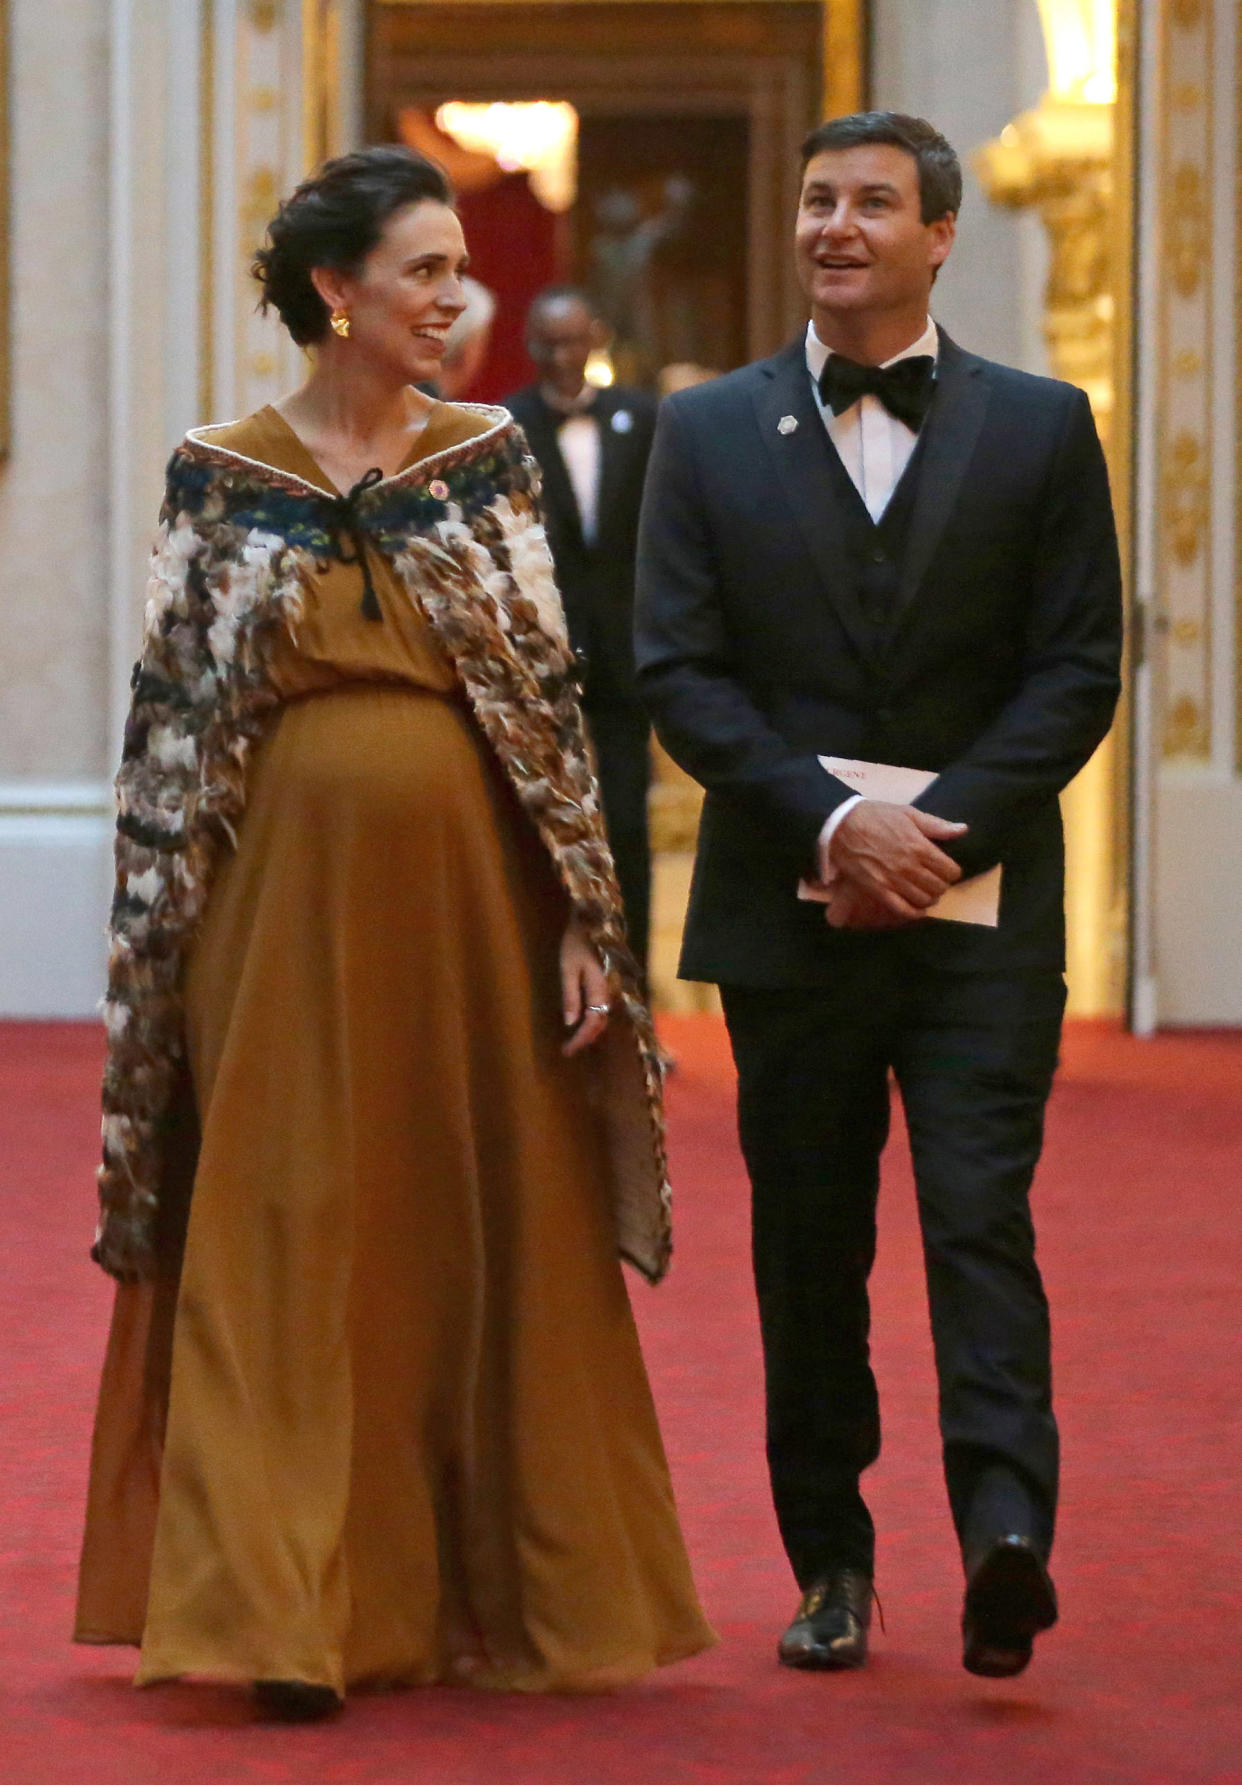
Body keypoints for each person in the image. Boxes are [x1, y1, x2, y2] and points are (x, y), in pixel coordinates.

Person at [75, 145, 713, 1720]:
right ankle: (279, 1611)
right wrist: (161, 951)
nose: (454, 298)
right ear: (335, 292)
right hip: (270, 918)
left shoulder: (486, 460)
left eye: (454, 271)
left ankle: (460, 1587)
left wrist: (581, 915)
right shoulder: (217, 472)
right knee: (280, 1232)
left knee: (451, 1234)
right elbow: (172, 731)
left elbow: (547, 711)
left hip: (471, 919)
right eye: (423, 272)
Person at [635, 112, 1122, 1679]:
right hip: (789, 918)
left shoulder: (1044, 428)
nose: (835, 225)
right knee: (809, 1247)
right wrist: (838, 824)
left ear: (939, 237)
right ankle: (830, 1564)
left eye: (871, 204)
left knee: (981, 1219)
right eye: (816, 200)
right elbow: (677, 673)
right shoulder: (704, 432)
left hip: (983, 921)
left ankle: (1004, 1536)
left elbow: (1074, 671)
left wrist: (941, 837)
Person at [506, 289, 657, 977]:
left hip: (626, 651)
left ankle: (634, 990)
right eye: (549, 343)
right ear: (532, 345)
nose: (563, 356)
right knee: (544, 824)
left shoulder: (640, 417)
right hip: (544, 652)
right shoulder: (506, 426)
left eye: (574, 340)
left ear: (595, 336)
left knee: (628, 825)